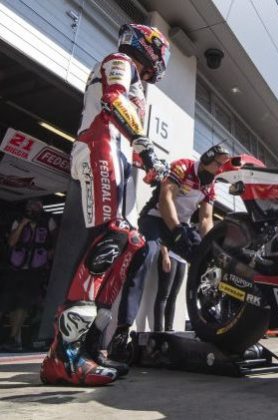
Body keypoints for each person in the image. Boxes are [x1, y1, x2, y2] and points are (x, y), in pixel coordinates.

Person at [40, 24, 171, 386]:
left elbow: (130, 130)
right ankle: (63, 356)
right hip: (99, 143)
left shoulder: (136, 80)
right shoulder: (120, 61)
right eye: (162, 51)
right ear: (148, 46)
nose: (163, 61)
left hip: (116, 150)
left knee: (131, 242)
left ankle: (90, 347)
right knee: (110, 237)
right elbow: (112, 101)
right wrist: (144, 144)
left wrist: (150, 162)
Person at [109, 144, 229, 361]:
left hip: (179, 225)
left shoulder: (211, 186)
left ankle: (209, 318)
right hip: (155, 219)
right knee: (145, 256)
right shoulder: (182, 167)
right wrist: (176, 230)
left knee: (205, 262)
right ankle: (121, 332)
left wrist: (209, 248)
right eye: (218, 164)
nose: (221, 169)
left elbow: (205, 219)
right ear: (207, 158)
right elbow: (166, 198)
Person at [0, 200, 57, 352]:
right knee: (5, 301)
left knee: (23, 304)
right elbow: (11, 242)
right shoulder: (18, 220)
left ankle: (13, 339)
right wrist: (22, 224)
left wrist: (51, 252)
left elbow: (56, 240)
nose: (33, 209)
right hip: (15, 268)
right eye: (30, 206)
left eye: (36, 206)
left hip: (35, 270)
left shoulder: (48, 221)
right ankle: (11, 338)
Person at [154, 245, 187, 332]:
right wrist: (165, 255)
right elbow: (164, 238)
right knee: (163, 295)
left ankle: (168, 328)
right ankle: (158, 330)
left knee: (173, 296)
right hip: (170, 255)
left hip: (182, 260)